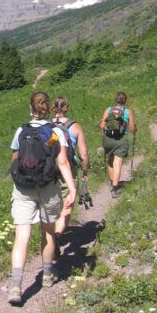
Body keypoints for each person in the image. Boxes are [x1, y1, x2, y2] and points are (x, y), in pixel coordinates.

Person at [8, 91, 76, 305]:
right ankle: (47, 275)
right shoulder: (55, 131)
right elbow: (63, 162)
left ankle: (16, 287)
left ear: (31, 109)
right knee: (48, 232)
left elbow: (15, 161)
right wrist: (72, 189)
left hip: (23, 188)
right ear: (48, 109)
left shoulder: (21, 130)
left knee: (21, 237)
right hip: (48, 187)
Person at [51, 96, 90, 258]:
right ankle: (57, 235)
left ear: (53, 108)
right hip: (68, 168)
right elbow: (84, 154)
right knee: (67, 205)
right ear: (66, 107)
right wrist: (85, 171)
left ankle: (50, 236)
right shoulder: (75, 127)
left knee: (52, 204)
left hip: (50, 170)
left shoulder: (47, 126)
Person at [100, 92, 136, 198]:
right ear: (125, 101)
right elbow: (132, 129)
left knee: (110, 160)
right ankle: (115, 188)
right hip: (121, 139)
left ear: (115, 100)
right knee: (118, 162)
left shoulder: (108, 110)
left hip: (108, 139)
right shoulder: (128, 111)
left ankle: (112, 182)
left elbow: (102, 126)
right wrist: (135, 129)